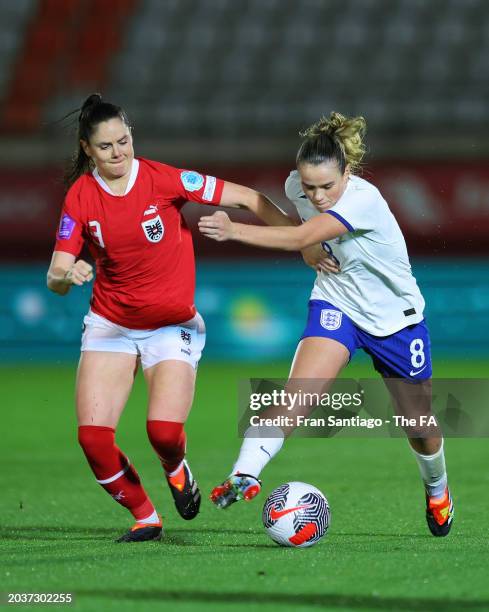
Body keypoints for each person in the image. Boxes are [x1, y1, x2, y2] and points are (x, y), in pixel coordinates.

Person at [46, 93, 308, 543]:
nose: (118, 153)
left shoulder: (163, 179)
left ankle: (176, 467)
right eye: (106, 146)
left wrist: (301, 238)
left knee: (163, 433)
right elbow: (55, 274)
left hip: (172, 327)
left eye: (124, 140)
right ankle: (146, 516)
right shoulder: (81, 197)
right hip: (110, 326)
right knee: (93, 440)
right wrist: (69, 272)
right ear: (87, 149)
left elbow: (247, 197)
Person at [199, 111, 454, 537]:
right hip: (337, 304)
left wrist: (237, 231)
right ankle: (245, 473)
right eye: (309, 186)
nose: (316, 196)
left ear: (347, 174)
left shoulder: (363, 199)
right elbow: (292, 223)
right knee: (296, 396)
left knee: (418, 421)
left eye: (327, 186)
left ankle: (437, 488)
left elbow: (301, 234)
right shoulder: (297, 186)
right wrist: (309, 248)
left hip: (396, 319)